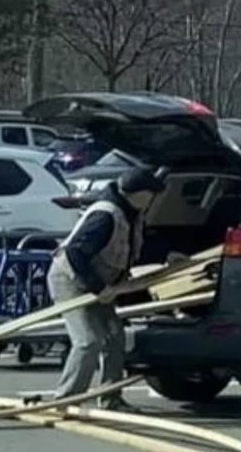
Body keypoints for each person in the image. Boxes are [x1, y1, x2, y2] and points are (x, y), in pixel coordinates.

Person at [47, 165, 169, 409]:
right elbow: (75, 254)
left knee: (115, 338)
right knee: (88, 341)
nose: (154, 200)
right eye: (151, 194)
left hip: (102, 283)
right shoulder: (106, 216)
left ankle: (111, 399)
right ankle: (67, 400)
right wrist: (98, 288)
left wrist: (167, 255)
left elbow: (134, 248)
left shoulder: (131, 213)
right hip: (71, 280)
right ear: (138, 193)